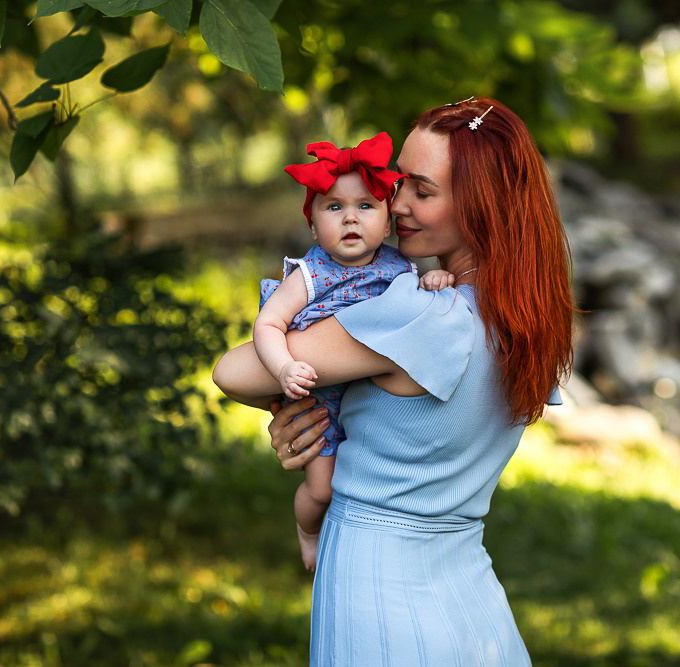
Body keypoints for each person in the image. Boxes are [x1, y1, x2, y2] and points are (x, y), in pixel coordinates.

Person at [213, 97, 574, 665]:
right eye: (397, 181)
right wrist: (318, 416)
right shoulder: (526, 317)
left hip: (380, 590)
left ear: (483, 207)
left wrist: (288, 398)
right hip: (471, 596)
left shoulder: (418, 315)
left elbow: (233, 371)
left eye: (422, 192)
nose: (396, 203)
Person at [254, 131, 457, 571]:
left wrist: (434, 280)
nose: (350, 219)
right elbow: (268, 323)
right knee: (322, 489)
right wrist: (285, 366)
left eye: (365, 206)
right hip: (321, 398)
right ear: (312, 225)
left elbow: (413, 298)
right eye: (334, 207)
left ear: (387, 223)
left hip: (369, 395)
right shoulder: (310, 274)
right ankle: (308, 533)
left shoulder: (399, 267)